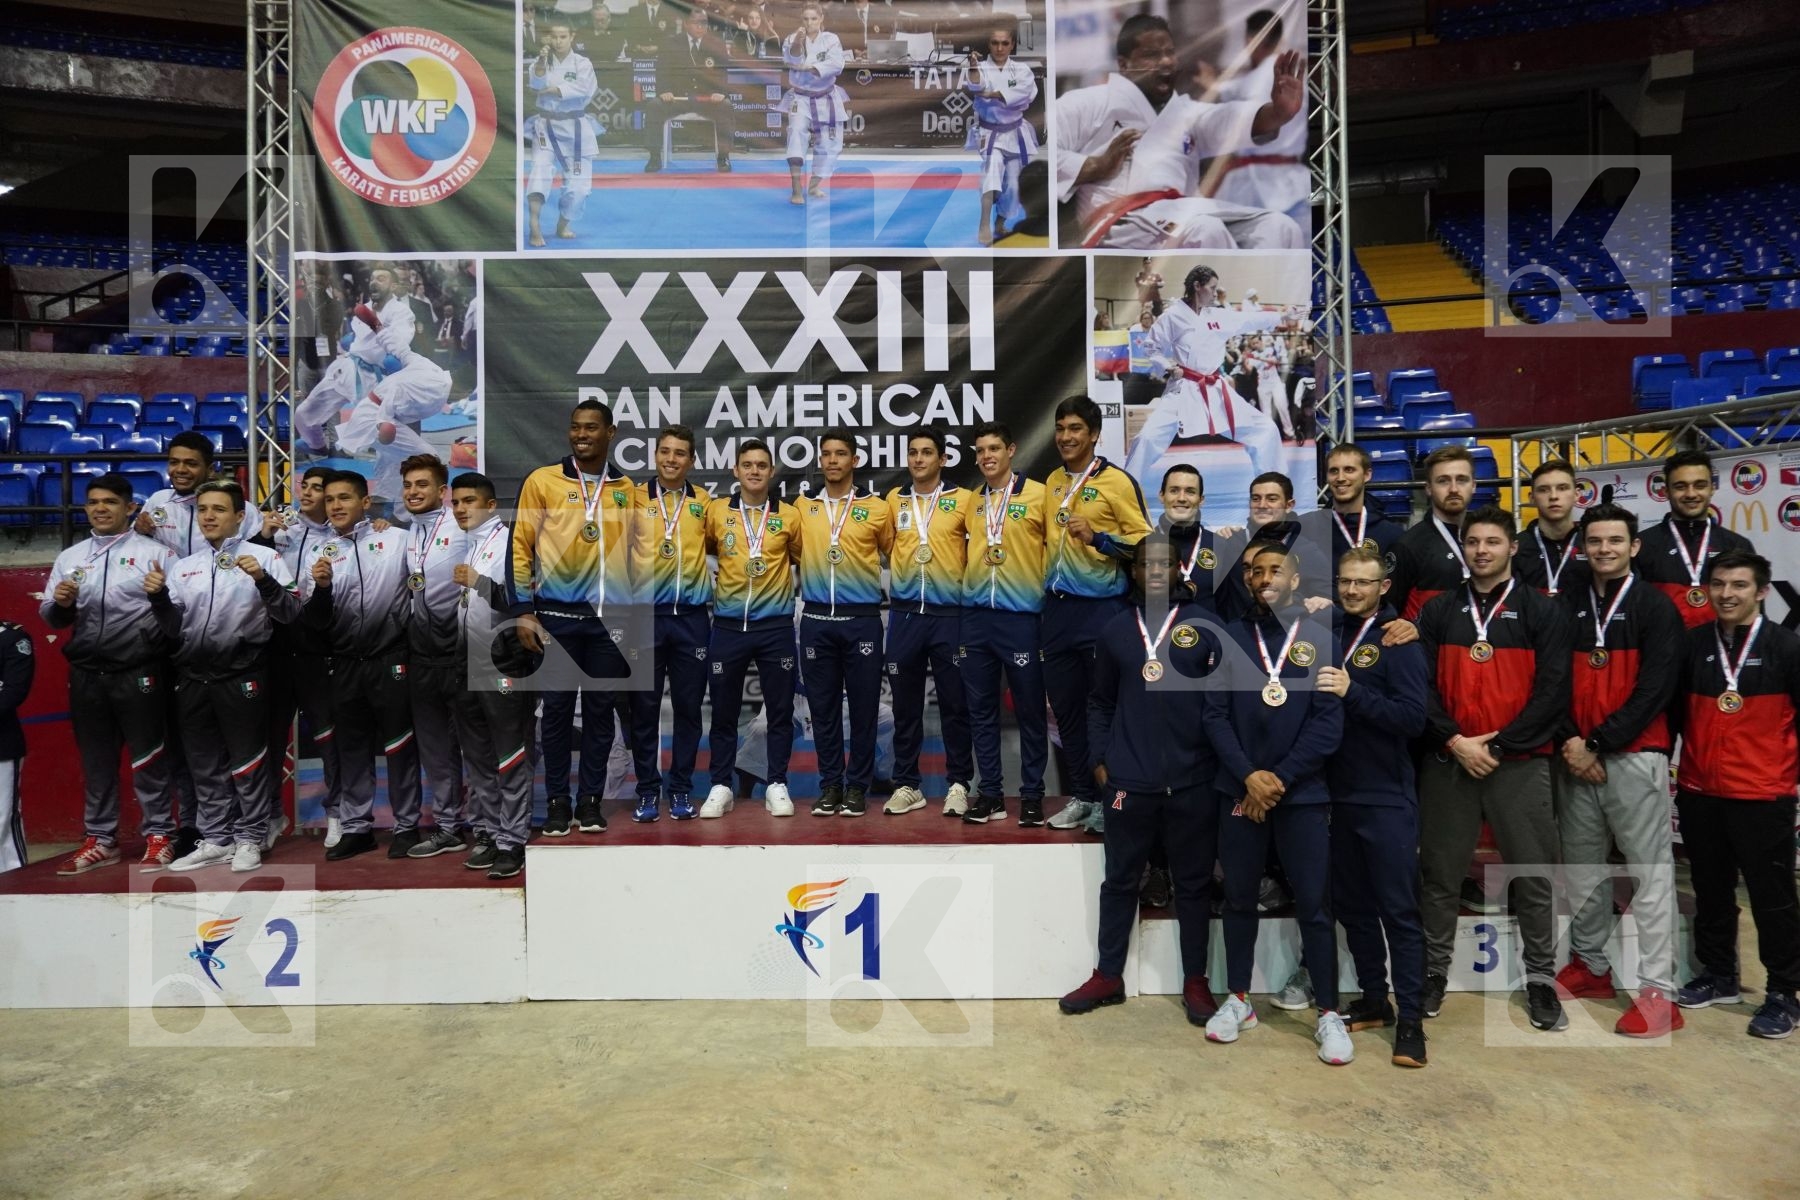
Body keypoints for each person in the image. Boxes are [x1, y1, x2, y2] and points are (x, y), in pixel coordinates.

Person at [1415, 505, 1572, 1031]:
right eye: (1473, 542)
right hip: (1450, 761)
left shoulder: (1541, 611)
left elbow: (1553, 694)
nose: (1482, 550)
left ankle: (1541, 981)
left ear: (1512, 549)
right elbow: (1423, 691)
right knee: (1440, 874)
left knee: (1533, 875)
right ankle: (1433, 973)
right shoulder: (1439, 611)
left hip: (1519, 766)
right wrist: (1457, 741)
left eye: (1492, 542)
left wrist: (1500, 747)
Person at [1059, 533, 1223, 1022]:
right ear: (1133, 571)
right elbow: (1099, 702)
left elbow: (1222, 706)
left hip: (1193, 782)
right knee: (1120, 881)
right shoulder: (1115, 630)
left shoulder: (1207, 626)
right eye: (1145, 564)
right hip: (1130, 780)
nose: (1154, 570)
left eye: (1164, 563)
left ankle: (1195, 979)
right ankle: (1109, 974)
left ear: (1178, 569)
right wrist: (1101, 760)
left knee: (1193, 885)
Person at [1201, 541, 1349, 1063]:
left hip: (1301, 794)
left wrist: (1275, 780)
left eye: (1275, 570)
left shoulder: (1320, 640)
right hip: (1239, 791)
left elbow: (1327, 727)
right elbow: (1214, 717)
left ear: (1294, 578)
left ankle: (1328, 1012)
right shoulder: (1230, 639)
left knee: (1314, 904)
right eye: (1255, 571)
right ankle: (1239, 998)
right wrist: (1248, 777)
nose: (1265, 578)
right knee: (1238, 899)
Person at [1551, 503, 1686, 1037]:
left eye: (1615, 541)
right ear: (1582, 548)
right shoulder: (1569, 606)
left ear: (1635, 547)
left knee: (1649, 876)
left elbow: (1656, 689)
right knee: (1583, 872)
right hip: (1577, 756)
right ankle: (1592, 966)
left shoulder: (1656, 607)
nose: (1604, 549)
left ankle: (1660, 994)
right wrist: (1570, 741)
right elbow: (1553, 679)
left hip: (1634, 756)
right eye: (1595, 541)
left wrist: (1599, 743)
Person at [1671, 549, 1800, 1038]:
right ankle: (1719, 974)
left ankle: (1784, 992)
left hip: (1762, 793)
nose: (1727, 594)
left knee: (1773, 897)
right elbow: (1679, 715)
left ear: (1762, 590)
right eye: (1720, 584)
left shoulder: (1787, 648)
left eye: (1740, 585)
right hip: (1701, 788)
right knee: (1710, 890)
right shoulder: (1695, 643)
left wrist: (1778, 773)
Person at [147, 480, 302, 873]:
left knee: (248, 761)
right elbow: (171, 627)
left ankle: (250, 836)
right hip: (193, 676)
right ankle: (216, 837)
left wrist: (264, 582)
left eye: (219, 509)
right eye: (203, 510)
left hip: (244, 672)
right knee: (204, 763)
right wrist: (159, 598)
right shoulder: (186, 567)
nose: (209, 516)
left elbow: (290, 613)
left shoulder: (264, 558)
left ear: (239, 516)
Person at [1318, 546, 1430, 1067]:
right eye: (1346, 581)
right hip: (1336, 793)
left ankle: (1411, 1022)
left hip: (1385, 796)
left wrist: (1351, 693)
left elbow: (1412, 718)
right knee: (1355, 909)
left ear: (1384, 586)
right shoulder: (1330, 631)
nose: (1352, 590)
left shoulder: (1397, 639)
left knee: (1399, 913)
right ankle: (1373, 998)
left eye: (1363, 583)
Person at [1056, 14, 1304, 249]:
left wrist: (1278, 113)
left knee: (1280, 228)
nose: (1165, 61)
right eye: (1152, 54)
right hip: (1118, 219)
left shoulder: (1186, 112)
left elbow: (1230, 118)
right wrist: (1094, 165)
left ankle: (1254, 295)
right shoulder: (1089, 102)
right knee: (1205, 230)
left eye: (1169, 53)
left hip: (1179, 211)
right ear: (1124, 64)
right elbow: (1038, 150)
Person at [512, 399, 638, 838]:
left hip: (610, 623)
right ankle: (558, 803)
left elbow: (635, 559)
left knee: (602, 713)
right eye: (575, 428)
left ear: (610, 432)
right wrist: (524, 611)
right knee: (559, 714)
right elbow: (520, 547)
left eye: (590, 428)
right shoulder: (542, 481)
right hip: (557, 618)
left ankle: (590, 802)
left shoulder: (627, 488)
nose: (581, 435)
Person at [45, 474, 176, 874]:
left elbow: (175, 618)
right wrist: (63, 603)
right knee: (97, 760)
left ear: (129, 508)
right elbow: (53, 617)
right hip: (87, 673)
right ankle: (101, 839)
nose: (100, 509)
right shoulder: (71, 557)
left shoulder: (158, 555)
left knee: (148, 757)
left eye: (110, 502)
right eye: (93, 503)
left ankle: (159, 836)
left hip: (139, 670)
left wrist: (159, 595)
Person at [1042, 396, 1150, 834]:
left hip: (1104, 612)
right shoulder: (1050, 481)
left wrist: (1101, 539)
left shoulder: (1117, 482)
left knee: (1104, 709)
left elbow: (1147, 547)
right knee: (1065, 711)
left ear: (1094, 434)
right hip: (1058, 611)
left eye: (1075, 429)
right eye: (1061, 428)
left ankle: (1111, 800)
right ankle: (1083, 796)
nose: (1066, 437)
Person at [301, 470, 422, 860]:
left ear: (365, 503)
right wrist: (320, 588)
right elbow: (315, 621)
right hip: (345, 663)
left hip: (391, 659)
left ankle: (406, 826)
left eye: (345, 498)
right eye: (330, 500)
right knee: (351, 746)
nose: (335, 506)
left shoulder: (396, 539)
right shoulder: (318, 554)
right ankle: (357, 828)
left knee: (400, 745)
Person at [701, 439, 802, 818]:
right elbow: (708, 549)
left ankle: (776, 783)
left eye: (762, 465)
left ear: (771, 471)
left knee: (779, 712)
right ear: (736, 470)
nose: (755, 471)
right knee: (724, 713)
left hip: (775, 627)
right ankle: (721, 785)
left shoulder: (789, 516)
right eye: (748, 464)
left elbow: (801, 557)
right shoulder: (715, 512)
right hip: (728, 626)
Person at [1123, 266, 1295, 486]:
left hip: (1215, 389)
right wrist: (1167, 366)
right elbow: (1151, 347)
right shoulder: (1173, 316)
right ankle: (1124, 490)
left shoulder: (1218, 315)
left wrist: (1281, 315)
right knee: (1147, 438)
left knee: (1266, 430)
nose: (1215, 293)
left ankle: (1274, 487)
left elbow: (1249, 319)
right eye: (1212, 288)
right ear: (1197, 286)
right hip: (1184, 388)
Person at [797, 432, 893, 817]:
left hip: (862, 619)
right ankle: (830, 785)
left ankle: (857, 787)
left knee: (866, 708)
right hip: (817, 617)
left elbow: (892, 552)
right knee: (822, 709)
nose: (832, 460)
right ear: (820, 461)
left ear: (854, 460)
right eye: (826, 455)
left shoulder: (877, 508)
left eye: (841, 454)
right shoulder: (802, 508)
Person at [450, 473, 538, 880]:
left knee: (510, 754)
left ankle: (512, 838)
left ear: (490, 506)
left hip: (504, 662)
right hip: (466, 661)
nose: (460, 509)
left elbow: (526, 601)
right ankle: (486, 830)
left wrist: (480, 582)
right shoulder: (467, 543)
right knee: (479, 754)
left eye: (469, 501)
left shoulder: (509, 544)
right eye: (455, 502)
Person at [960, 421, 1048, 825]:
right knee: (980, 711)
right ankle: (990, 793)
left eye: (994, 448)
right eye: (980, 450)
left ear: (1011, 450)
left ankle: (1032, 794)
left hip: (1021, 618)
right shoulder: (972, 503)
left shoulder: (1039, 496)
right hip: (977, 619)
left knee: (1030, 710)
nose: (986, 457)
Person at [882, 429, 974, 817]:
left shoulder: (964, 501)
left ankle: (958, 784)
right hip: (904, 615)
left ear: (943, 459)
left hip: (949, 615)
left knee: (955, 704)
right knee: (905, 706)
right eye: (913, 453)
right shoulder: (893, 500)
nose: (919, 459)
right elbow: (889, 548)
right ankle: (907, 784)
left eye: (927, 453)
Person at [628, 426, 713, 822]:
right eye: (665, 452)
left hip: (692, 620)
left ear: (691, 460)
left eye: (680, 453)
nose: (672, 459)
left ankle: (679, 789)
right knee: (643, 710)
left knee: (688, 709)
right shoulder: (632, 498)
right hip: (645, 618)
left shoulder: (704, 502)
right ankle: (647, 790)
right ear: (655, 456)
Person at [395, 455, 474, 859]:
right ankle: (448, 827)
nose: (413, 492)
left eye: (422, 484)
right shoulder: (408, 532)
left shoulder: (461, 528)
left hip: (461, 650)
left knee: (476, 744)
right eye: (408, 485)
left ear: (443, 491)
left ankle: (487, 824)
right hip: (422, 653)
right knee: (435, 748)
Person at [332, 292, 455, 506]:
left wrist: (376, 325)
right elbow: (385, 416)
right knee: (427, 458)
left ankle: (384, 499)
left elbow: (394, 345)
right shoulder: (412, 372)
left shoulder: (410, 373)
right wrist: (384, 428)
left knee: (394, 456)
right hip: (373, 418)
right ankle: (406, 511)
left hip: (378, 413)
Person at [1206, 9, 1309, 231]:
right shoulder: (1286, 77)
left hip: (1256, 184)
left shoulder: (1262, 77)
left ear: (1251, 39)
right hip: (1291, 179)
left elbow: (1231, 97)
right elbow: (1229, 91)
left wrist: (1211, 86)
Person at [1637, 449, 1756, 630]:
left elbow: (1752, 611)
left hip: (1720, 653)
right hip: (1665, 653)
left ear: (1712, 488)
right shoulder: (1643, 544)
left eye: (1700, 485)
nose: (1691, 494)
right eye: (1680, 486)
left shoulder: (1736, 545)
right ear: (1666, 491)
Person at [295, 268, 409, 456]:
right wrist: (352, 338)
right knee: (304, 413)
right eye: (372, 278)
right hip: (347, 367)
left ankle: (387, 454)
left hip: (372, 377)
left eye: (381, 278)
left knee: (380, 432)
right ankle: (317, 446)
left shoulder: (401, 313)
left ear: (393, 286)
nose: (374, 282)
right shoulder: (364, 307)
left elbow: (399, 342)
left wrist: (379, 332)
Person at [526, 18, 599, 246]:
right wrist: (540, 63)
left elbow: (584, 89)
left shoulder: (582, 63)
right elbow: (535, 85)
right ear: (549, 38)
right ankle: (534, 224)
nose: (558, 42)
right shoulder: (540, 61)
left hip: (575, 128)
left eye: (563, 37)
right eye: (554, 37)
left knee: (579, 188)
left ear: (572, 37)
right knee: (540, 169)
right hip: (545, 127)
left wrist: (555, 89)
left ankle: (562, 224)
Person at [964, 26, 1038, 246]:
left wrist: (994, 94)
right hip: (991, 132)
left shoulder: (1022, 69)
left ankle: (1000, 221)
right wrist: (973, 68)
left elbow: (1025, 93)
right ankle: (984, 222)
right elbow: (976, 86)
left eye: (1004, 43)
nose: (999, 48)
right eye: (995, 43)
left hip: (1016, 132)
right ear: (989, 44)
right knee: (991, 174)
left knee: (1014, 185)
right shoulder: (981, 67)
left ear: (1012, 44)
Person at [1387, 446, 1476, 621]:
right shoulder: (1409, 546)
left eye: (1462, 480)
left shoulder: (1486, 540)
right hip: (1429, 647)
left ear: (1473, 486)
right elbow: (1390, 613)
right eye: (1443, 481)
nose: (1453, 489)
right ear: (1428, 488)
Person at [644, 7, 736, 174]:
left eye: (704, 23)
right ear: (686, 24)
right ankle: (654, 156)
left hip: (707, 100)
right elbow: (661, 71)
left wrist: (721, 92)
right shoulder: (671, 43)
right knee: (654, 106)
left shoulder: (716, 44)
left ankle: (723, 157)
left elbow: (724, 74)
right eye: (696, 23)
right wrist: (664, 91)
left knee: (726, 105)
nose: (700, 27)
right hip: (678, 99)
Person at [780, 3, 847, 205]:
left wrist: (810, 67)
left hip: (826, 97)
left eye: (813, 19)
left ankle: (814, 185)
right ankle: (796, 188)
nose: (809, 23)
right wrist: (798, 43)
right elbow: (791, 60)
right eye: (805, 19)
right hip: (800, 98)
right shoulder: (792, 39)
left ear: (821, 19)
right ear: (801, 20)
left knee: (829, 145)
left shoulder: (831, 39)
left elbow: (837, 65)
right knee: (796, 133)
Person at [1514, 460, 1590, 597]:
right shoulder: (1516, 547)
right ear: (1532, 498)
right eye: (1543, 490)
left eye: (1562, 488)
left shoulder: (1592, 543)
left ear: (1577, 494)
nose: (1553, 496)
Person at [136, 431, 214, 558]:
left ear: (210, 470)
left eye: (191, 464)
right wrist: (140, 530)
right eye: (174, 462)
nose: (180, 470)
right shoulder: (159, 499)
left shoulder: (229, 505)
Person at [1322, 443, 1401, 566]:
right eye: (1334, 471)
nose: (1340, 477)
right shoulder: (1311, 532)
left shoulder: (1391, 534)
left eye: (1349, 470)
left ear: (1367, 475)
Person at [0, 612, 33, 873]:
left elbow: (13, 692)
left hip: (2, 745)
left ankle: (14, 879)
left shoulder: (12, 638)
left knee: (3, 820)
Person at [1243, 335, 1295, 441]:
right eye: (1253, 344)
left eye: (1257, 342)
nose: (1256, 345)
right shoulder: (1252, 355)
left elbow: (1275, 362)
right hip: (1263, 384)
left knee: (1282, 406)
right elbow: (1249, 370)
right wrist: (1245, 360)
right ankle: (1271, 436)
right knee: (1266, 412)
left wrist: (1259, 358)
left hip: (1275, 382)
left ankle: (1289, 432)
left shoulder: (1271, 349)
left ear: (1261, 341)